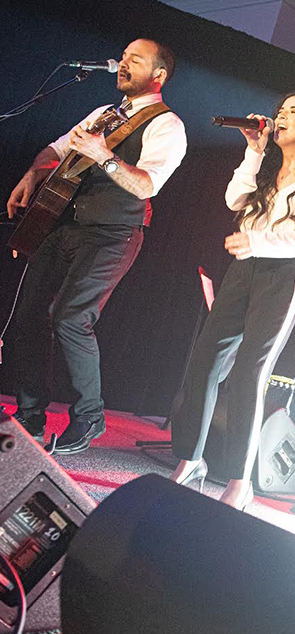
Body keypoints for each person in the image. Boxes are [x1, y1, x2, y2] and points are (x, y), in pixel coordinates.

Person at [3, 38, 187, 454]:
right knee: (28, 316)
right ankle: (30, 416)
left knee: (69, 316)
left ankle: (90, 417)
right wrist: (33, 174)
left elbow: (147, 183)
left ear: (157, 75)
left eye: (134, 60)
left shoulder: (167, 125)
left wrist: (104, 156)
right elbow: (55, 148)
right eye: (122, 58)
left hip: (112, 234)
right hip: (65, 225)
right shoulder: (104, 115)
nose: (122, 65)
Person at [168, 91, 295, 509]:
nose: (281, 117)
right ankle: (191, 458)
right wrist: (252, 152)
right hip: (244, 270)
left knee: (250, 373)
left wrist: (259, 240)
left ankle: (240, 481)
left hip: (284, 275)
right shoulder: (267, 169)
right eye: (280, 111)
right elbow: (234, 200)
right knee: (205, 359)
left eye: (293, 113)